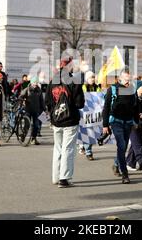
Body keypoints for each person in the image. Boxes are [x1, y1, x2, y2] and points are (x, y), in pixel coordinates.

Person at [45, 57, 85, 188]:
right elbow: (80, 103)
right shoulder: (74, 80)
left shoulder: (52, 81)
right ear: (69, 66)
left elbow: (48, 101)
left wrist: (53, 115)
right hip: (70, 120)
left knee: (57, 148)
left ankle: (55, 177)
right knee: (68, 148)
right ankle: (64, 178)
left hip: (56, 120)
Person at [102, 69, 137, 184]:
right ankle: (125, 174)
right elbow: (106, 107)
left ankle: (116, 164)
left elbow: (135, 107)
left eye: (129, 80)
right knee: (121, 146)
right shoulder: (112, 89)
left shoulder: (132, 89)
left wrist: (135, 121)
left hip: (128, 123)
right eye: (126, 80)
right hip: (116, 122)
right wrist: (105, 125)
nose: (128, 82)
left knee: (123, 147)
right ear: (120, 79)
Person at [126, 80, 142, 173]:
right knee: (138, 146)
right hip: (132, 125)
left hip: (141, 125)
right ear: (137, 88)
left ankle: (129, 163)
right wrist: (137, 115)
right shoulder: (132, 98)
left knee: (134, 145)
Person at [78, 71, 101, 161]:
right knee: (88, 132)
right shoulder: (83, 87)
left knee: (92, 133)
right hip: (85, 112)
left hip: (95, 112)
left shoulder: (97, 87)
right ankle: (88, 152)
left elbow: (99, 98)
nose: (93, 79)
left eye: (93, 77)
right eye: (91, 77)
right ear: (87, 79)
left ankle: (84, 146)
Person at [20, 76, 45, 145]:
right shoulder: (27, 89)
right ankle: (23, 136)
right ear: (31, 83)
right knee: (27, 125)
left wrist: (44, 109)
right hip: (28, 109)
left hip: (36, 110)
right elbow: (21, 97)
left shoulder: (39, 90)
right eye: (34, 82)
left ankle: (33, 138)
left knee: (36, 125)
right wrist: (23, 100)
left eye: (37, 82)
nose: (35, 84)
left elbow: (41, 100)